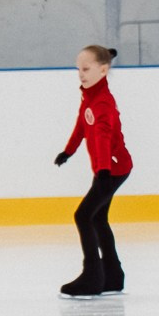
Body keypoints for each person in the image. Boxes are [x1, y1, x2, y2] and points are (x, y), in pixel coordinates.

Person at [54, 44, 132, 298]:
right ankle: (113, 275)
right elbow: (81, 125)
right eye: (78, 69)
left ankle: (93, 276)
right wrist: (69, 151)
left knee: (83, 216)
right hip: (108, 168)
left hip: (113, 169)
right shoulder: (89, 96)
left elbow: (102, 139)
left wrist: (104, 172)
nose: (81, 74)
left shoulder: (103, 104)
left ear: (103, 70)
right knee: (96, 218)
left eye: (86, 69)